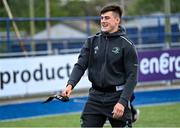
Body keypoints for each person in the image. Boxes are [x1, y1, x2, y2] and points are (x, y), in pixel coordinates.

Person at [61, 4, 138, 127]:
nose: (103, 21)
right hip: (95, 97)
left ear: (117, 20)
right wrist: (70, 85)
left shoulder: (127, 45)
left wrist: (122, 102)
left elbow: (132, 77)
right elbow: (80, 65)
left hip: (117, 98)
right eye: (101, 18)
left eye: (107, 18)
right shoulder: (91, 41)